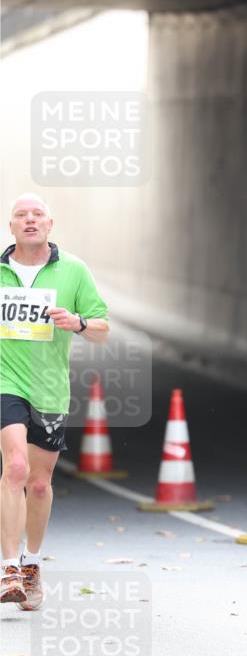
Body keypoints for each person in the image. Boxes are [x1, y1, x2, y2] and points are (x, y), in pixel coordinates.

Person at [0, 193, 109, 608]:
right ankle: (9, 568)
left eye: (37, 214)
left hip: (49, 386)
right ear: (10, 227)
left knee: (39, 483)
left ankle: (31, 564)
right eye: (20, 215)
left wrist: (77, 322)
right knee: (15, 467)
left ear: (50, 224)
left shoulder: (73, 270)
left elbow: (102, 328)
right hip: (5, 380)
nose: (29, 220)